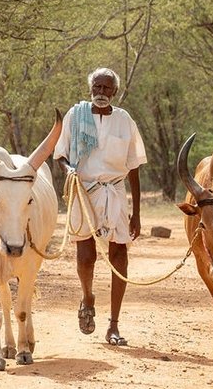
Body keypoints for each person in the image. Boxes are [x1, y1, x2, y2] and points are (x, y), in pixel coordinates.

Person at [54, 67, 147, 346]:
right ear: (90, 89)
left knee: (119, 257)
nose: (101, 93)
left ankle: (114, 326)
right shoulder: (76, 115)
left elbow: (133, 168)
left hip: (115, 194)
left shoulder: (124, 120)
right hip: (83, 192)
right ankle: (88, 297)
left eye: (107, 88)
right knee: (86, 256)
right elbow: (60, 154)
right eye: (97, 87)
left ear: (115, 92)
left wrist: (137, 214)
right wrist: (68, 169)